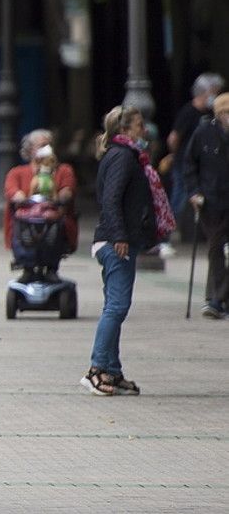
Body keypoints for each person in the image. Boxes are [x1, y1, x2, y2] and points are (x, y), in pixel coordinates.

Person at [82, 105, 172, 397]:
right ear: (124, 130)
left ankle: (112, 370)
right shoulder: (123, 157)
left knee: (115, 306)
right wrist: (120, 234)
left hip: (115, 239)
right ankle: (96, 369)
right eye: (139, 124)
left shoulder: (123, 155)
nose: (144, 130)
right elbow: (111, 199)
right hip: (115, 241)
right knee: (117, 307)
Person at [2, 132, 78, 282]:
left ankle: (51, 268)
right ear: (30, 150)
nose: (47, 149)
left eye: (50, 145)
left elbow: (67, 190)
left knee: (57, 226)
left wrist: (57, 198)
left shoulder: (63, 170)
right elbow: (12, 191)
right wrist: (23, 198)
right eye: (43, 145)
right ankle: (27, 267)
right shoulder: (17, 172)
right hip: (27, 224)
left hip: (53, 223)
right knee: (21, 226)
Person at [185, 93, 229, 318]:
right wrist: (194, 192)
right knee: (215, 248)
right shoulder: (204, 133)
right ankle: (216, 298)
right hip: (211, 201)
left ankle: (219, 298)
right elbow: (190, 164)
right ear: (220, 113)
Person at [167, 73, 223, 215]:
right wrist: (176, 155)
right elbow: (173, 138)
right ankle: (169, 230)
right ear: (204, 92)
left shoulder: (210, 113)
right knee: (180, 196)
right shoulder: (188, 112)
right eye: (214, 92)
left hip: (203, 163)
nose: (215, 96)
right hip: (183, 162)